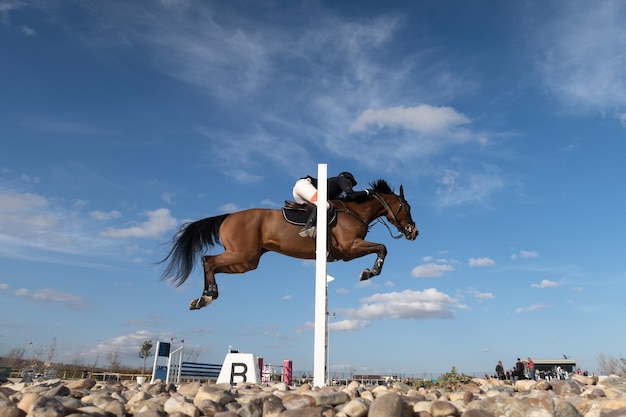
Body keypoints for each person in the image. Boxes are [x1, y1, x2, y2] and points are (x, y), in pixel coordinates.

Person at [292, 171, 371, 237]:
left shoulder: (334, 189)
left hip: (301, 189)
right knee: (325, 205)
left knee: (317, 209)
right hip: (304, 185)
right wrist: (367, 192)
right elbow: (352, 195)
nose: (351, 186)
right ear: (348, 180)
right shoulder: (342, 179)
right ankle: (308, 227)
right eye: (351, 184)